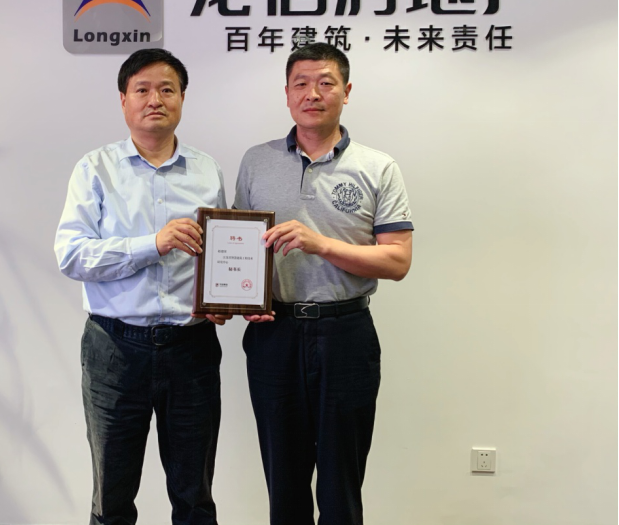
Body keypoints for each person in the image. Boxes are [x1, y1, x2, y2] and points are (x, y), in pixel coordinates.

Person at [234, 43, 413, 525]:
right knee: (284, 481)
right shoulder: (256, 161)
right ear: (287, 94)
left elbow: (398, 260)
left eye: (326, 83)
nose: (312, 94)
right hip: (274, 334)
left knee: (341, 483)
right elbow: (238, 246)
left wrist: (321, 244)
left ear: (346, 92)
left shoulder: (378, 167)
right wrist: (241, 297)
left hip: (345, 335)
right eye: (301, 84)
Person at [55, 48, 227, 525]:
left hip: (192, 348)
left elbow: (221, 253)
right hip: (115, 348)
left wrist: (223, 298)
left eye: (167, 89)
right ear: (123, 100)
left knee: (195, 499)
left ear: (182, 98)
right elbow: (72, 255)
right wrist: (153, 244)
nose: (156, 99)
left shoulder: (207, 170)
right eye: (143, 89)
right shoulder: (95, 168)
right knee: (112, 497)